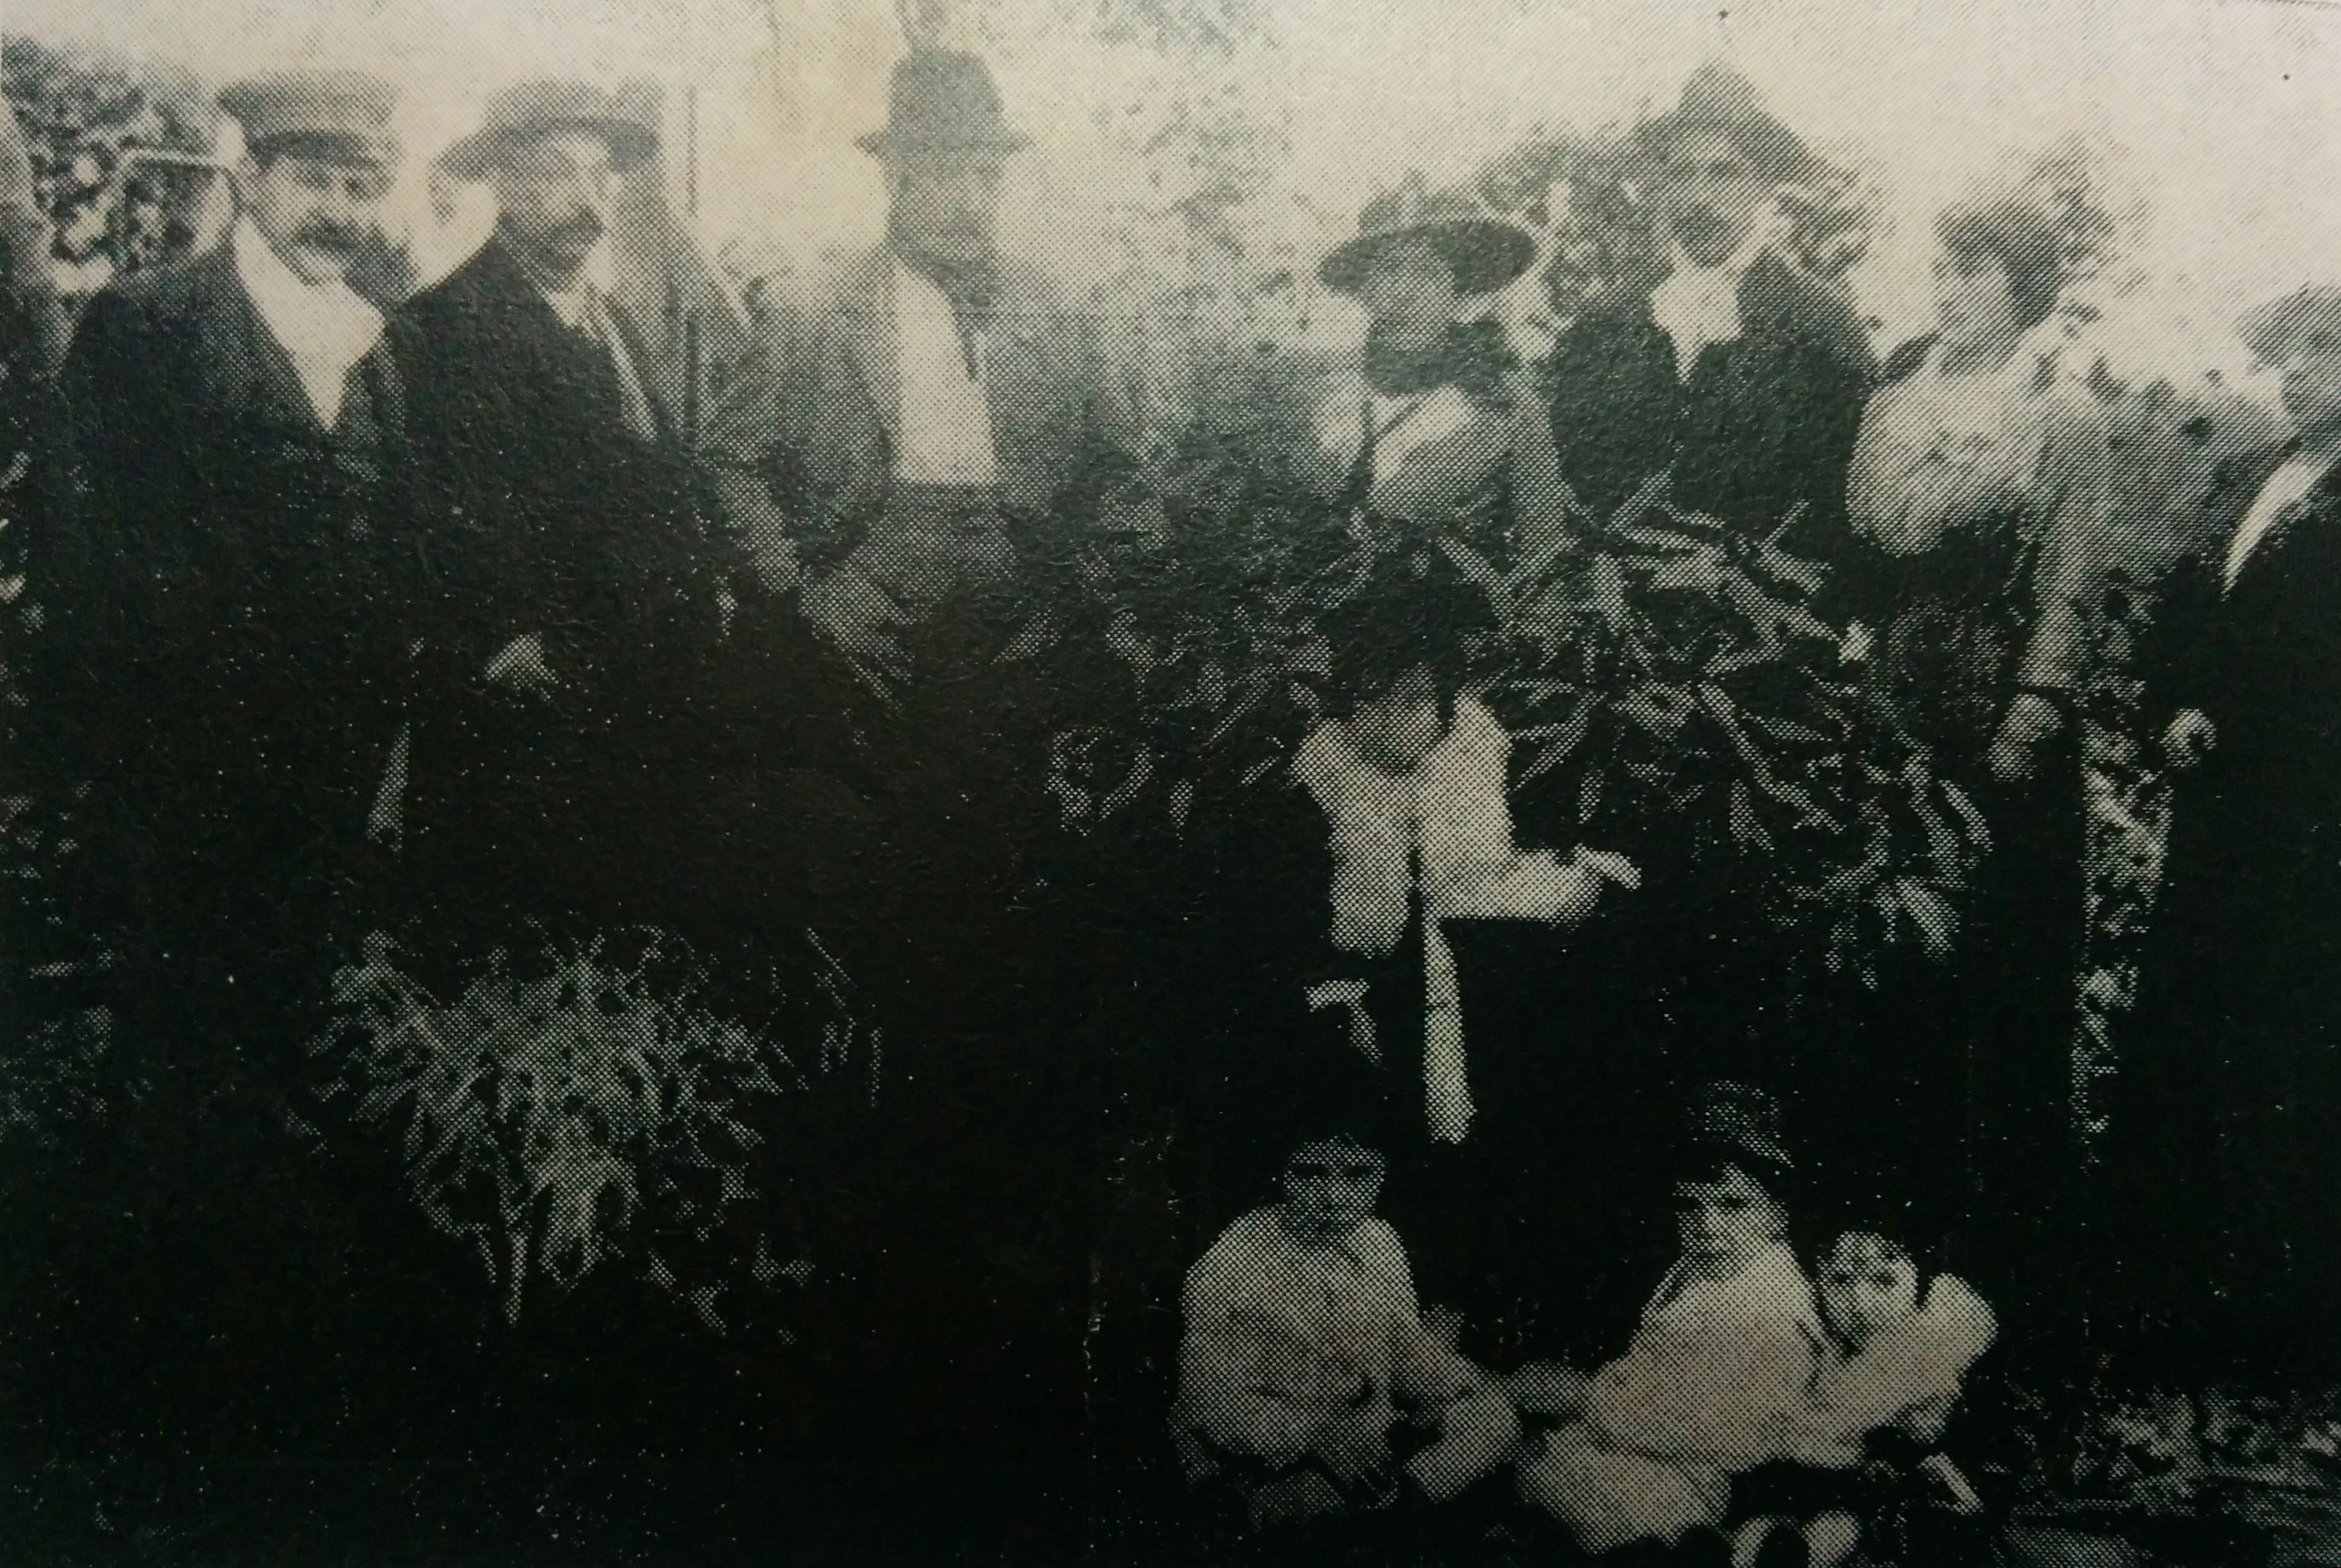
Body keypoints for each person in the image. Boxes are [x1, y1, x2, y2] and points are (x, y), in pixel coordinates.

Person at [38, 68, 425, 1063]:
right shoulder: (150, 326)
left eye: (356, 189)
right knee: (183, 1037)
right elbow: (83, 553)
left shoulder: (371, 347)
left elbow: (391, 548)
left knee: (292, 1024)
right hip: (185, 774)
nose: (336, 214)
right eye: (312, 183)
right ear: (249, 178)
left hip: (328, 768)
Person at [1177, 547, 1637, 1354]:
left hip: (1450, 995)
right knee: (1365, 1151)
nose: (1395, 722)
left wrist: (1580, 880)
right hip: (1351, 1008)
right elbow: (1263, 935)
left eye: (1417, 701)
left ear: (1449, 705)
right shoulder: (1311, 790)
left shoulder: (1475, 767)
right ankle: (1348, 1334)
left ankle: (1452, 1321)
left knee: (1468, 1147)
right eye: (1372, 702)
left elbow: (1488, 878)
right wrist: (1327, 999)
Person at [1832, 194, 2110, 1314]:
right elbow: (1867, 563)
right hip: (1898, 706)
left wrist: (2027, 716)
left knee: (2000, 970)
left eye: (1976, 272)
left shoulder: (2062, 413)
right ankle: (1883, 1237)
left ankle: (1997, 1261)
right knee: (1897, 959)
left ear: (2023, 289)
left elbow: (2070, 579)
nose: (1949, 289)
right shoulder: (1893, 403)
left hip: (2003, 719)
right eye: (1942, 268)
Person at [401, 80, 726, 946]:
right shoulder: (441, 325)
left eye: (601, 176)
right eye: (557, 175)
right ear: (504, 186)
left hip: (640, 664)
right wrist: (506, 632)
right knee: (529, 936)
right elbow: (447, 502)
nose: (588, 200)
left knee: (638, 926)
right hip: (533, 676)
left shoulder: (616, 317)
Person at [2110, 285, 2341, 1378]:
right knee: (2196, 1013)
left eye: (2323, 350)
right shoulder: (2255, 473)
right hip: (2225, 809)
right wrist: (2175, 703)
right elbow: (2192, 612)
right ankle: (2166, 1282)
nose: (2297, 370)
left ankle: (2274, 1311)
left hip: (2313, 816)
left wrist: (2234, 718)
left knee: (2289, 1034)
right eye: (2290, 351)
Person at [1172, 1040, 1520, 1552]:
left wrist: (1452, 1383)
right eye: (1310, 1174)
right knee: (1285, 1504)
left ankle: (1398, 1515)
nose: (1334, 1198)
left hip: (1366, 1432)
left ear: (1383, 1174)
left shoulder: (1377, 1240)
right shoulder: (1239, 1259)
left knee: (1492, 1417)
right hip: (1269, 1446)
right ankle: (1358, 1523)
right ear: (1276, 1172)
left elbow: (1401, 1347)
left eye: (1358, 1175)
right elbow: (1209, 1401)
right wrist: (1313, 1437)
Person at [1542, 63, 1875, 560]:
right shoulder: (1605, 319)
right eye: (1682, 173)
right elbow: (1559, 471)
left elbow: (1839, 508)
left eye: (1724, 173)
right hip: (1605, 607)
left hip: (1758, 617)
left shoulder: (1820, 325)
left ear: (1764, 187)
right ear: (1662, 186)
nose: (1700, 198)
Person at [1514, 1084, 1823, 1564]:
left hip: (1699, 1478)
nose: (1709, 1226)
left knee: (1552, 1484)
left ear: (1777, 1213)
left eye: (1733, 1205)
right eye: (1691, 1207)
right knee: (1527, 1461)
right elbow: (1645, 1364)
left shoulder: (1775, 1301)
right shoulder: (1696, 1270)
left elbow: (1740, 1435)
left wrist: (1589, 1402)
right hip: (1632, 1450)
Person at [1308, 172, 1574, 580]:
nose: (1407, 291)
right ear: (1366, 290)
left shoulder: (1504, 403)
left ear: (1457, 286)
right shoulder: (1335, 396)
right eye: (1391, 271)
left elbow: (1545, 551)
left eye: (1428, 273)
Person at [1731, 1229, 1998, 1568]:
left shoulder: (1926, 1344)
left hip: (1895, 1485)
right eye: (1840, 1281)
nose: (1860, 1303)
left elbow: (1853, 1414)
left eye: (1885, 1281)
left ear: (1922, 1282)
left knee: (1840, 1522)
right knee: (1765, 1516)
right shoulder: (1821, 1343)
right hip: (1819, 1477)